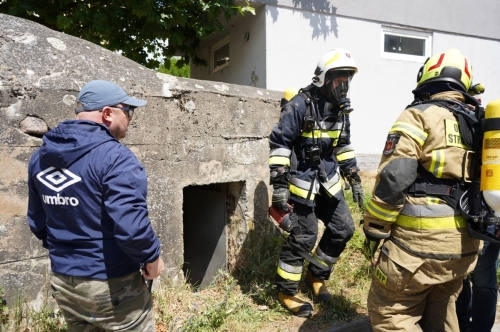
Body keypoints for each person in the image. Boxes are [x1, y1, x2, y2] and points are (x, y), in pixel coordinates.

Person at [27, 80, 164, 331]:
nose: (131, 119)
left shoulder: (39, 158)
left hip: (65, 283)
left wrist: (68, 256)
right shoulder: (115, 158)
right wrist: (151, 257)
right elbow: (131, 227)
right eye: (128, 111)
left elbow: (37, 221)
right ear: (108, 113)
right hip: (112, 283)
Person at [362, 48, 483, 331]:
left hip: (416, 248)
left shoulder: (418, 115)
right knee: (441, 310)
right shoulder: (478, 124)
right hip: (464, 248)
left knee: (391, 315)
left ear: (428, 75)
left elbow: (395, 176)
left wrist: (375, 229)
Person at [268, 48, 362, 316]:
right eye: (339, 79)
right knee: (304, 235)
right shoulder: (299, 105)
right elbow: (280, 143)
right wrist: (280, 185)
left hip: (327, 182)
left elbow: (343, 146)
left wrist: (353, 176)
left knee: (343, 228)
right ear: (323, 78)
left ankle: (316, 275)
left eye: (348, 80)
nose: (344, 86)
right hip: (301, 184)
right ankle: (286, 291)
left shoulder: (342, 111)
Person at [456, 225, 500, 332]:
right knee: (458, 278)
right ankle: (460, 326)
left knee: (483, 282)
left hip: (487, 223)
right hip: (455, 224)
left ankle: (480, 329)